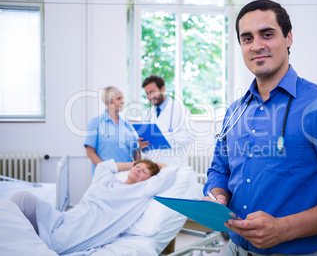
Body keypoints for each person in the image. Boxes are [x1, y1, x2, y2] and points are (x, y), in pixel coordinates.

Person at [203, 0, 317, 255]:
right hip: (234, 249)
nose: (257, 45)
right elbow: (220, 169)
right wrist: (217, 196)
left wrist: (283, 228)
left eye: (267, 34)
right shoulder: (234, 112)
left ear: (288, 37)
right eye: (247, 38)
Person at [10, 159, 176, 255]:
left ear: (148, 180)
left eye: (144, 172)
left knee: (54, 245)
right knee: (23, 198)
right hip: (65, 218)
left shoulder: (140, 192)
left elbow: (169, 175)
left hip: (85, 229)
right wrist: (132, 163)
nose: (139, 171)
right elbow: (104, 166)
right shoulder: (105, 180)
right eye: (138, 167)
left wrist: (158, 165)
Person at [139, 75, 193, 167]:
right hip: (152, 166)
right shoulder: (147, 113)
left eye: (152, 92)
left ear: (162, 89)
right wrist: (141, 145)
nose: (149, 97)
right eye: (147, 93)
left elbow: (190, 135)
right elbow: (144, 140)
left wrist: (165, 138)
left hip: (174, 164)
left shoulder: (181, 110)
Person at [84, 86, 140, 174]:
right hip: (105, 175)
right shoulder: (96, 123)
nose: (122, 102)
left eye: (122, 98)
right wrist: (104, 170)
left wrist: (138, 166)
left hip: (127, 175)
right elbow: (90, 152)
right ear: (108, 103)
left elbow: (135, 151)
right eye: (118, 99)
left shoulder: (127, 124)